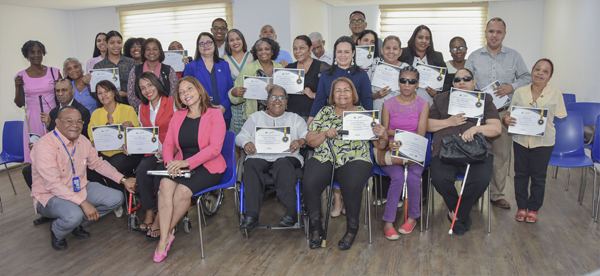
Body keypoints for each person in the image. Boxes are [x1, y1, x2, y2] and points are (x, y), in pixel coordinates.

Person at [30, 106, 136, 251]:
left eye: (79, 121)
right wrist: (83, 203)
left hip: (79, 187)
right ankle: (57, 231)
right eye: (69, 120)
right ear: (57, 122)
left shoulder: (82, 140)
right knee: (74, 214)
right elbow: (53, 185)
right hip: (50, 195)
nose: (75, 125)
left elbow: (98, 163)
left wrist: (123, 180)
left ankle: (77, 224)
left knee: (116, 198)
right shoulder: (44, 146)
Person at [152, 76, 225, 263]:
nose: (186, 94)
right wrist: (169, 163)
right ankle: (166, 237)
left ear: (199, 91)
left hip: (208, 166)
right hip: (180, 163)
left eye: (189, 89)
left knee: (183, 191)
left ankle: (165, 236)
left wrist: (187, 163)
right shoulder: (178, 116)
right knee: (165, 185)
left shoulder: (214, 114)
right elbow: (168, 144)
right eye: (181, 92)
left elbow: (215, 148)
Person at [465, 17, 531, 209]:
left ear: (504, 34)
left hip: (504, 114)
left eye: (499, 32)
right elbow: (466, 80)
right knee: (474, 153)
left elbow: (527, 77)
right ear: (485, 33)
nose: (494, 35)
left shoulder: (514, 56)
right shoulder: (475, 56)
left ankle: (496, 193)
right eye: (491, 31)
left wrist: (511, 86)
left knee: (501, 156)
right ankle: (473, 191)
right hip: (479, 114)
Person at [427, 68, 502, 235]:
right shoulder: (440, 99)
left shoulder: (485, 99)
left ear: (474, 82)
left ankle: (458, 215)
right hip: (446, 150)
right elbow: (426, 125)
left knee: (481, 179)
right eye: (457, 79)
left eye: (466, 79)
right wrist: (449, 122)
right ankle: (461, 213)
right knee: (439, 178)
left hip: (477, 151)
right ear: (453, 83)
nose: (461, 82)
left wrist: (476, 129)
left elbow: (497, 128)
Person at [303, 77, 374, 250]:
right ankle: (316, 229)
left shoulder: (364, 113)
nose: (342, 93)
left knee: (351, 184)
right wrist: (325, 133)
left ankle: (352, 229)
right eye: (338, 90)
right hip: (326, 155)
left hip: (355, 157)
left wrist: (381, 133)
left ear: (353, 94)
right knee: (309, 182)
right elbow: (310, 140)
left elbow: (379, 144)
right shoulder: (324, 112)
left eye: (346, 90)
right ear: (332, 96)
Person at [503, 59, 566, 223]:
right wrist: (506, 119)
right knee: (520, 175)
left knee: (538, 177)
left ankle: (534, 209)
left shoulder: (556, 93)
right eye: (537, 69)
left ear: (550, 76)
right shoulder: (520, 92)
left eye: (545, 71)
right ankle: (522, 207)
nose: (540, 73)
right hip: (521, 140)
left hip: (544, 142)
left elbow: (560, 116)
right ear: (531, 71)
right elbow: (510, 114)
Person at [236, 85, 308, 228]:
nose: (277, 101)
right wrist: (246, 143)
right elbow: (240, 136)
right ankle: (251, 215)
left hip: (287, 157)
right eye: (273, 97)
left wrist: (301, 141)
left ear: (287, 102)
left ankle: (292, 213)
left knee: (282, 163)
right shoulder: (256, 118)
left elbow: (307, 135)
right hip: (260, 156)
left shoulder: (295, 119)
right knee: (250, 164)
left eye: (282, 98)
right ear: (267, 100)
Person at [372, 66, 428, 239]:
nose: (406, 84)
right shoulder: (387, 104)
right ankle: (388, 222)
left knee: (413, 177)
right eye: (403, 80)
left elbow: (421, 134)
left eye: (411, 81)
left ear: (417, 84)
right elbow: (384, 131)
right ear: (399, 81)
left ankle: (412, 218)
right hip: (391, 149)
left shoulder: (423, 104)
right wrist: (391, 141)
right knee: (397, 177)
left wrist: (395, 135)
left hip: (415, 150)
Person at [129, 72, 176, 237]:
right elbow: (142, 133)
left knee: (159, 176)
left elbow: (180, 130)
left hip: (172, 153)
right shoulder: (142, 108)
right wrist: (130, 144)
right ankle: (148, 211)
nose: (147, 90)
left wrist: (170, 151)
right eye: (142, 88)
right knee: (142, 171)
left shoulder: (172, 103)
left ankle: (159, 216)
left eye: (149, 85)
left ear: (157, 83)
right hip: (151, 152)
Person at [87, 81, 143, 199]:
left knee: (110, 167)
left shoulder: (128, 109)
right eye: (100, 93)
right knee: (90, 169)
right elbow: (92, 137)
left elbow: (138, 135)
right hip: (104, 153)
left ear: (114, 92)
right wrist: (93, 143)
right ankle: (113, 195)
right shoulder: (96, 114)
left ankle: (125, 197)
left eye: (106, 91)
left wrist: (131, 128)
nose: (103, 95)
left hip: (127, 153)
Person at [14, 40, 61, 164]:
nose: (36, 55)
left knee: (57, 150)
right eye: (32, 52)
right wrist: (17, 86)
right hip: (33, 118)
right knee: (37, 152)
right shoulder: (21, 76)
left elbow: (63, 95)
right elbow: (19, 103)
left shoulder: (54, 72)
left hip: (52, 115)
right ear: (26, 55)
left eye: (39, 52)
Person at [184, 32, 234, 128]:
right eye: (201, 43)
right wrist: (205, 106)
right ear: (198, 47)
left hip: (223, 113)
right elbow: (187, 91)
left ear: (214, 44)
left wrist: (224, 106)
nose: (205, 45)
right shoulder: (191, 67)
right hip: (201, 113)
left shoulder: (224, 65)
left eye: (209, 42)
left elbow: (230, 88)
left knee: (222, 142)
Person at [229, 37, 284, 120]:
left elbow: (287, 95)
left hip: (278, 116)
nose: (263, 52)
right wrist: (234, 93)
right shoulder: (248, 69)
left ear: (272, 51)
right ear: (256, 53)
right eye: (260, 50)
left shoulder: (280, 68)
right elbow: (236, 99)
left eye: (267, 49)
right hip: (254, 118)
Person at [399, 25, 448, 104]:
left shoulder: (437, 57)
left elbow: (447, 82)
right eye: (420, 37)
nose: (424, 41)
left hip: (429, 102)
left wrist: (438, 93)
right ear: (414, 39)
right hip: (405, 102)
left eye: (427, 38)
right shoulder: (403, 54)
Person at [126, 38, 177, 112]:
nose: (151, 52)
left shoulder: (168, 70)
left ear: (160, 52)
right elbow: (131, 95)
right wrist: (144, 110)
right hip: (142, 112)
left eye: (155, 49)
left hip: (166, 113)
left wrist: (163, 110)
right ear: (143, 52)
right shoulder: (135, 70)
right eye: (148, 49)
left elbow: (174, 92)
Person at [286, 35, 328, 120]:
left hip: (315, 116)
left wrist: (314, 95)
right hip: (291, 116)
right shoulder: (288, 68)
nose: (297, 52)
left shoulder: (321, 67)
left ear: (310, 48)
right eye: (295, 48)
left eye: (302, 48)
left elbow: (333, 92)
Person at [222, 29, 254, 134]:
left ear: (242, 40)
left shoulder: (253, 56)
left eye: (238, 39)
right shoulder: (223, 60)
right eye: (231, 40)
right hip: (233, 108)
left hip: (252, 105)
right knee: (236, 139)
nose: (235, 42)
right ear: (227, 43)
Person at [93, 30, 137, 105]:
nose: (116, 45)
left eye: (119, 42)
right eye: (112, 42)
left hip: (130, 105)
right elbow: (96, 92)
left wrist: (126, 94)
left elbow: (139, 85)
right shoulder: (98, 66)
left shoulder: (131, 63)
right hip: (108, 106)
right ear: (106, 44)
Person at [370, 35, 408, 113]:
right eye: (387, 48)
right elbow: (364, 94)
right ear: (382, 50)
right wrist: (375, 95)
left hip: (399, 114)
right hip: (376, 114)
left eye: (395, 48)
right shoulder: (373, 67)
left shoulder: (407, 69)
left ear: (400, 52)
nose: (391, 51)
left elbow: (413, 95)